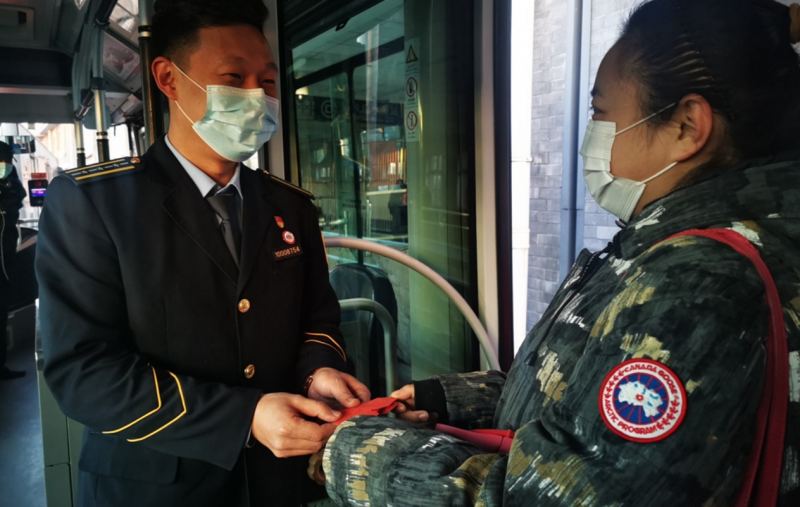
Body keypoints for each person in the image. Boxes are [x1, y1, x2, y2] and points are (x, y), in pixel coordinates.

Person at [322, 0, 800, 505]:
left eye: (601, 112)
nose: (591, 136)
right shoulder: (700, 244)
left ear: (686, 126)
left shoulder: (698, 284)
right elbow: (581, 401)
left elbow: (556, 497)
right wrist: (444, 400)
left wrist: (352, 451)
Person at [35, 1, 369, 506]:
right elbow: (84, 370)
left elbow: (317, 318)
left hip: (279, 482)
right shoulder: (93, 204)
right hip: (155, 488)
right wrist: (244, 417)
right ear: (168, 78)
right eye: (234, 77)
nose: (256, 96)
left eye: (268, 82)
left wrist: (317, 370)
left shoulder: (290, 206)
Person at [0, 141, 26, 381]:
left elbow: (19, 197)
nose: (5, 165)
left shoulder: (10, 180)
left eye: (7, 161)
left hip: (4, 259)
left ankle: (1, 367)